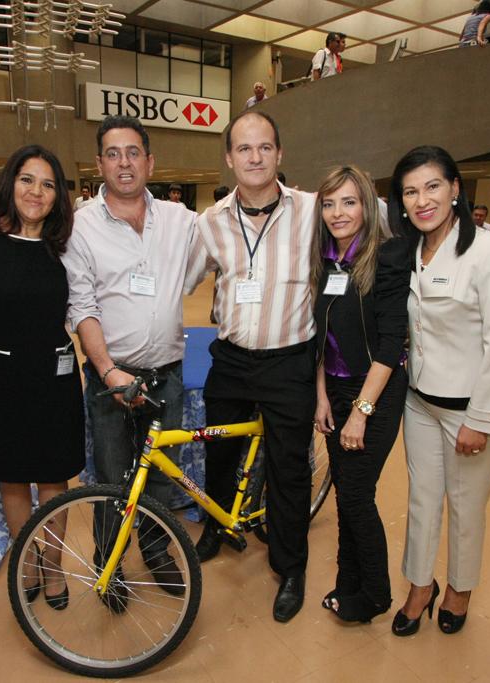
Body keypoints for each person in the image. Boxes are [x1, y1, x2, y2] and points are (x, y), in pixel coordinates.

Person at [186, 110, 317, 623]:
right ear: (229, 158)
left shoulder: (311, 210)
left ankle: (291, 568)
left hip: (290, 361)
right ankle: (217, 525)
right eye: (244, 149)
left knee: (289, 471)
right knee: (219, 450)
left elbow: (368, 221)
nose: (255, 157)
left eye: (264, 147)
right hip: (234, 360)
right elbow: (186, 278)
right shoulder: (211, 221)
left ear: (279, 154)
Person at [387, 145, 490, 637]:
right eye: (410, 191)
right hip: (419, 401)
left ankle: (459, 590)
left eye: (432, 186)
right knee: (422, 499)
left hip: (469, 409)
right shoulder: (410, 252)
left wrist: (480, 420)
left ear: (455, 190)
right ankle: (419, 586)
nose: (421, 199)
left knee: (466, 507)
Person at [63, 115, 197, 606]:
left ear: (150, 161)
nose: (124, 162)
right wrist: (108, 372)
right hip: (110, 379)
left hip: (169, 375)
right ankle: (110, 563)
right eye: (114, 153)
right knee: (113, 479)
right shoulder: (80, 226)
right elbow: (82, 305)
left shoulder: (181, 221)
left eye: (133, 152)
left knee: (162, 473)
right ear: (99, 163)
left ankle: (156, 550)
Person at [0, 144, 84, 610]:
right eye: (27, 179)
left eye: (47, 184)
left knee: (53, 478)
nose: (36, 191)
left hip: (55, 378)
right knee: (11, 479)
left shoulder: (62, 245)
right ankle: (26, 559)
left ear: (57, 196)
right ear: (10, 183)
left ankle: (54, 565)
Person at [312, 166, 408, 624]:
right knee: (346, 493)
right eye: (329, 203)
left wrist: (361, 412)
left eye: (348, 202)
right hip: (334, 388)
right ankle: (347, 584)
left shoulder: (386, 256)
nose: (337, 213)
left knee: (355, 496)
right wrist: (322, 396)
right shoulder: (324, 256)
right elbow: (315, 334)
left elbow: (391, 343)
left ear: (367, 205)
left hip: (376, 391)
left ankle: (374, 595)